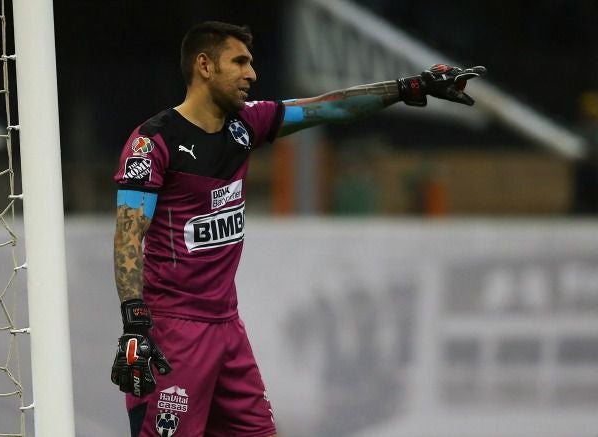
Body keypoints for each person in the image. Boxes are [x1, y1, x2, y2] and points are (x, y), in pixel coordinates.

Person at [111, 20, 485, 437]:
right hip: (173, 333)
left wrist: (408, 88)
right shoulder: (153, 142)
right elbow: (129, 236)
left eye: (251, 63)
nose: (251, 74)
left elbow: (332, 106)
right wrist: (135, 325)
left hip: (227, 330)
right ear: (204, 65)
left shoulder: (247, 125)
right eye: (239, 61)